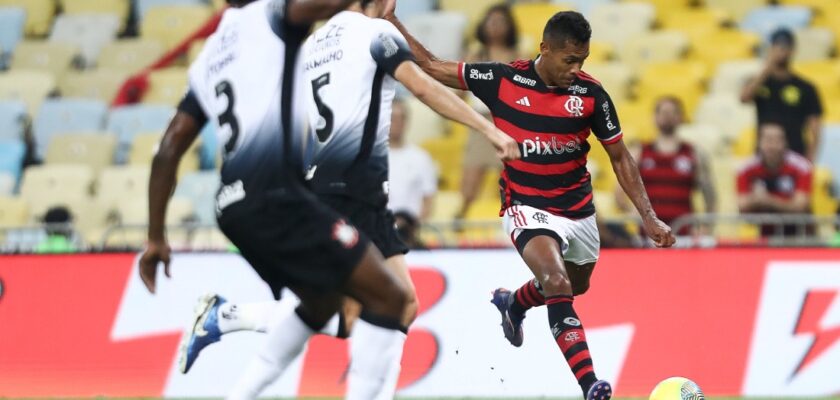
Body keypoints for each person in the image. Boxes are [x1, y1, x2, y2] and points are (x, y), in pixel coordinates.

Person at [172, 1, 520, 397]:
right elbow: (423, 85)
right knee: (358, 312)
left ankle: (232, 320)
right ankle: (228, 316)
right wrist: (487, 128)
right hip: (355, 186)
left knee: (402, 304)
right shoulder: (375, 33)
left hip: (331, 183)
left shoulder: (312, 43)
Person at [385, 5, 675, 400]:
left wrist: (649, 217)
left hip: (577, 210)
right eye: (570, 60)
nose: (576, 68)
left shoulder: (591, 95)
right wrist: (391, 22)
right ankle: (591, 385)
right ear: (546, 48)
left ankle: (514, 303)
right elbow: (434, 66)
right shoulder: (503, 79)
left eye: (582, 60)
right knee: (556, 282)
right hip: (526, 205)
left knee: (576, 284)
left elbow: (620, 157)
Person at [136, 1, 418, 399]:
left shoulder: (209, 57)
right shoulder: (271, 16)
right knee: (392, 298)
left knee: (322, 304)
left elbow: (167, 150)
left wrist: (155, 238)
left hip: (231, 207)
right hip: (278, 196)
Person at [458, 4, 523, 220]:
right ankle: (459, 223)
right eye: (491, 21)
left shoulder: (518, 56)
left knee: (509, 184)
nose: (494, 26)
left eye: (500, 22)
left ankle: (513, 224)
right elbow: (458, 90)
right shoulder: (474, 54)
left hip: (507, 123)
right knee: (469, 185)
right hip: (479, 124)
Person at [620, 96, 716, 234]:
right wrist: (633, 213)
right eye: (664, 113)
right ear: (655, 117)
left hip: (684, 234)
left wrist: (706, 228)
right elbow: (619, 192)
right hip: (650, 236)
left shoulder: (694, 154)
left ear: (681, 117)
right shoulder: (639, 153)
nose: (668, 117)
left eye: (673, 113)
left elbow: (710, 196)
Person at [741, 28, 823, 161]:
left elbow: (815, 128)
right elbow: (744, 98)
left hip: (795, 154)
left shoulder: (806, 87)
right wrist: (767, 67)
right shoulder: (760, 83)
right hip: (764, 156)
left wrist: (811, 157)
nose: (781, 52)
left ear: (793, 51)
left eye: (786, 47)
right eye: (777, 47)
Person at [737, 122, 813, 237]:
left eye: (777, 140)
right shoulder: (746, 168)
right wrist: (784, 204)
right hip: (764, 235)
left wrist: (767, 200)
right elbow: (742, 205)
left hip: (800, 234)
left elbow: (800, 205)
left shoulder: (801, 166)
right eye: (767, 140)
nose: (772, 146)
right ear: (758, 142)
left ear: (785, 143)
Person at [388, 98, 438, 221]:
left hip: (409, 231)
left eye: (402, 118)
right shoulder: (371, 157)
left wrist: (412, 226)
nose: (397, 123)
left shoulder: (421, 158)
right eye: (392, 118)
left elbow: (428, 199)